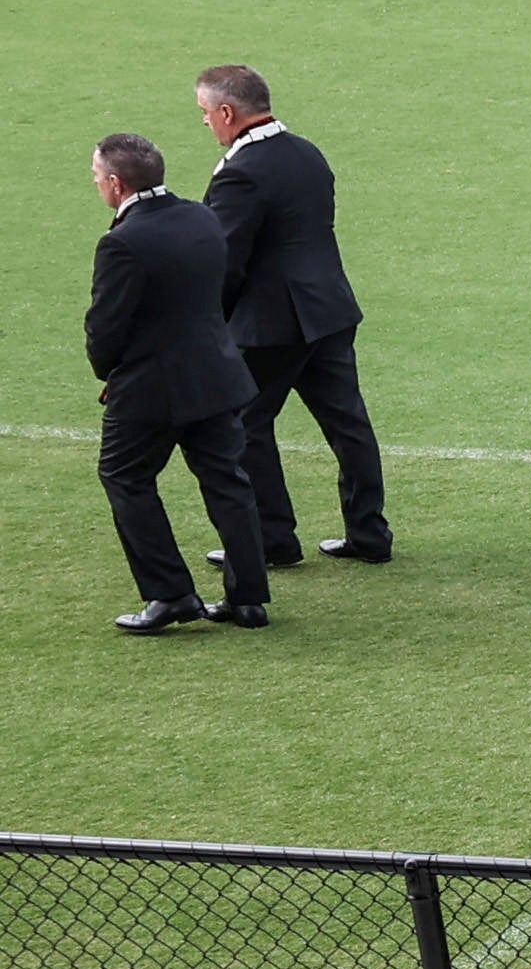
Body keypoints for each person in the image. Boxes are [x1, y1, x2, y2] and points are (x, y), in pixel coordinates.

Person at [196, 66, 386, 570]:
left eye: (205, 113)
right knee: (348, 422)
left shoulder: (240, 171)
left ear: (227, 112)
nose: (206, 124)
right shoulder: (308, 153)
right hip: (329, 308)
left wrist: (205, 322)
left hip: (270, 324)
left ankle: (271, 539)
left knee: (246, 424)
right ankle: (369, 533)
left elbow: (225, 259)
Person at [83, 132, 266, 637]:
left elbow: (106, 328)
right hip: (216, 374)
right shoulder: (200, 216)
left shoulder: (122, 242)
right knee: (228, 481)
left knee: (124, 477)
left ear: (117, 184)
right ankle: (248, 599)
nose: (97, 185)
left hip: (149, 388)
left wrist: (109, 371)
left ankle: (170, 593)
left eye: (98, 178)